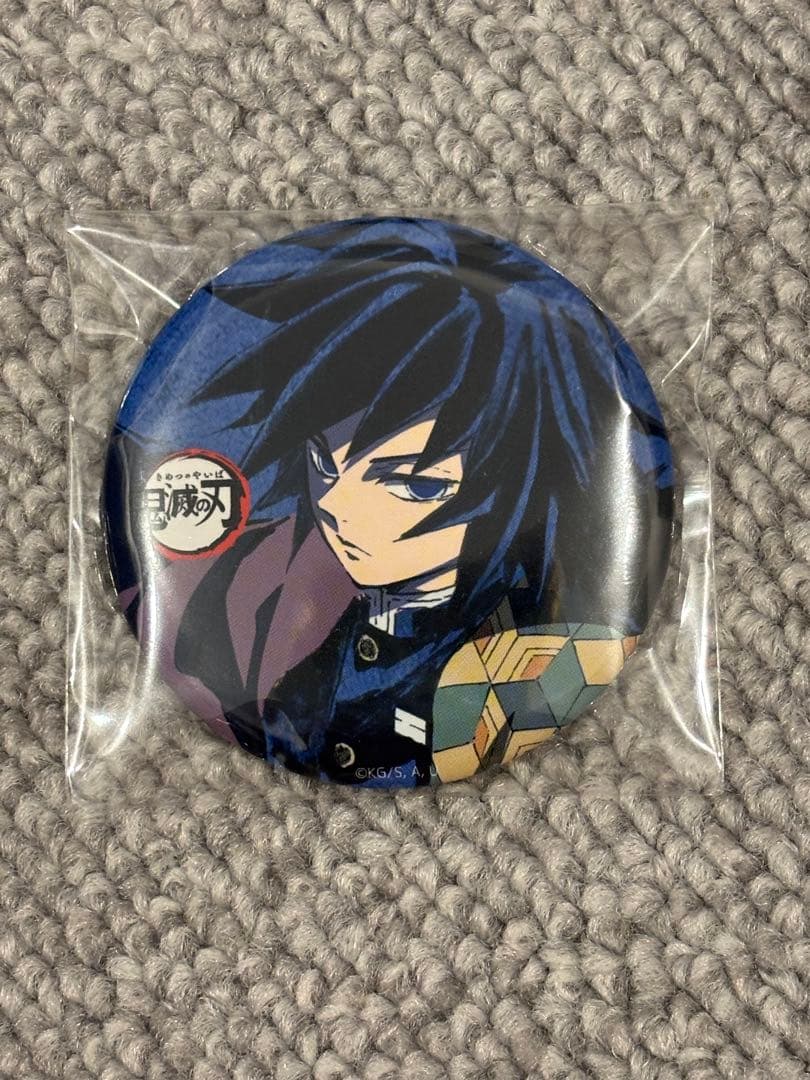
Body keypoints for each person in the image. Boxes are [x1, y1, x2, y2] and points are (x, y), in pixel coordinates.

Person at [110, 218, 673, 786]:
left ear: (518, 484)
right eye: (323, 464)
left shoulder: (547, 656)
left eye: (413, 485)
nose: (336, 507)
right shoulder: (266, 600)